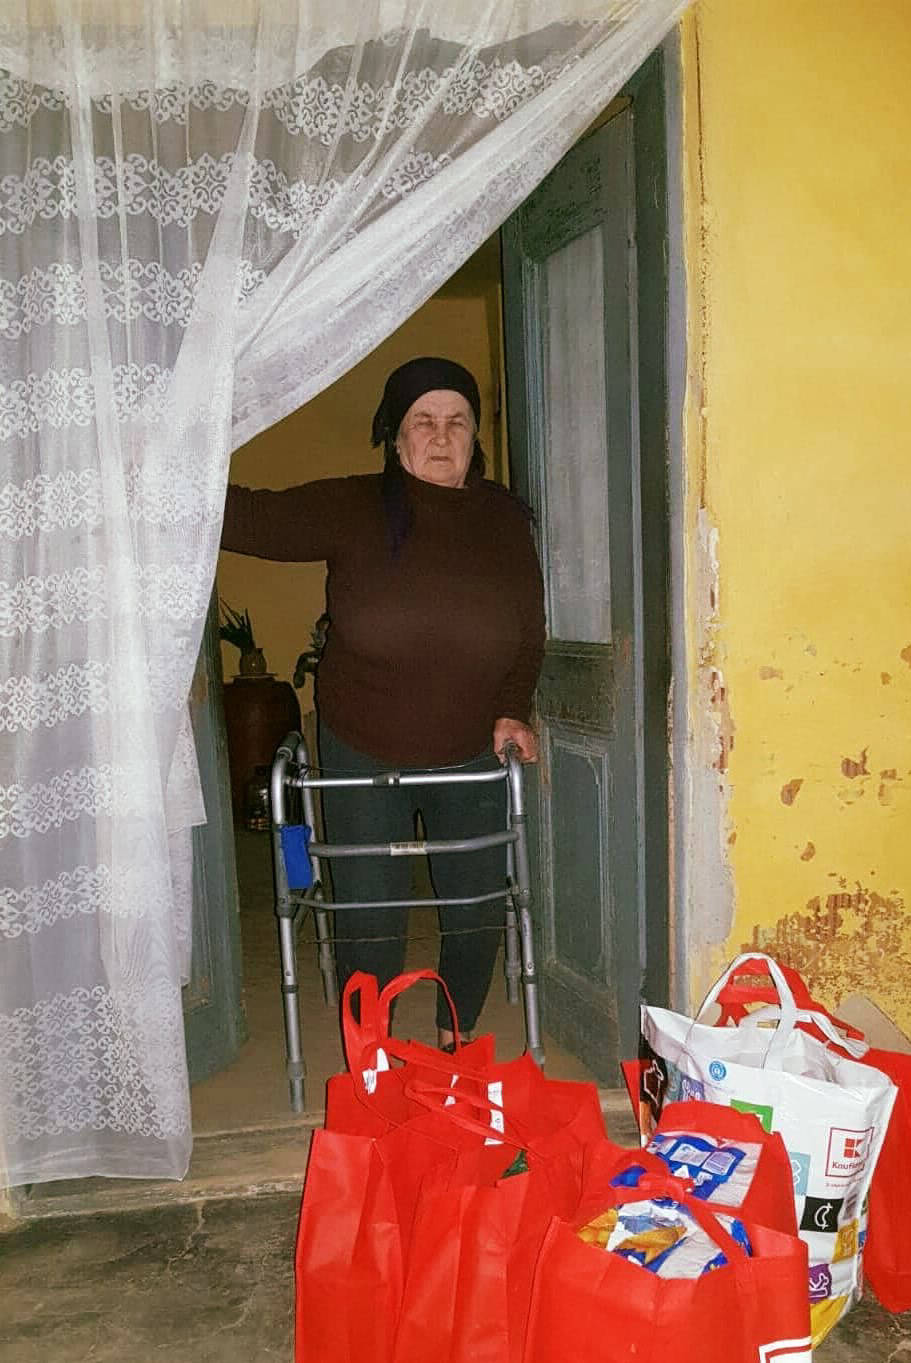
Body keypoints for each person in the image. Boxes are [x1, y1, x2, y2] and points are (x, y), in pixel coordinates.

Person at [221, 356, 545, 1048]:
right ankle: (371, 1051)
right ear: (395, 439)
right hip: (361, 743)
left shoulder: (504, 520)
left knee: (476, 904)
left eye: (457, 421)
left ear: (475, 437)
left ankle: (455, 1037)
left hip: (470, 746)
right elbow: (249, 518)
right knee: (369, 913)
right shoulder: (354, 506)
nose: (441, 436)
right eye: (423, 421)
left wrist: (513, 708)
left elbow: (529, 634)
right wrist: (157, 467)